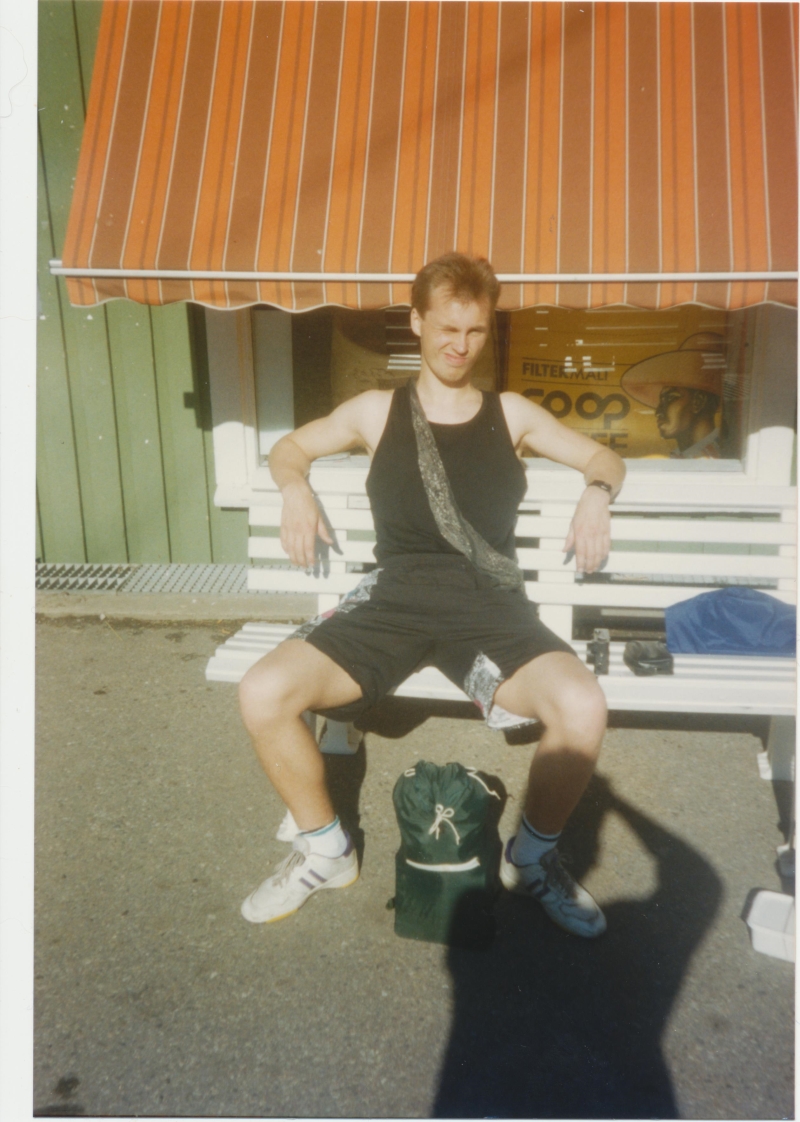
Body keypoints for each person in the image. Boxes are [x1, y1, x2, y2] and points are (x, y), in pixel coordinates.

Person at [238, 253, 625, 938]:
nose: (460, 345)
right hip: (391, 602)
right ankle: (325, 851)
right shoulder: (375, 411)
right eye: (447, 328)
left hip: (489, 609)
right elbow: (288, 449)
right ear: (416, 321)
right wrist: (295, 489)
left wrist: (597, 494)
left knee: (583, 705)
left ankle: (531, 859)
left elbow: (605, 458)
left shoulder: (512, 414)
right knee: (263, 691)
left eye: (475, 331)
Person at [621, 333, 725, 458]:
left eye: (670, 398)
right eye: (662, 400)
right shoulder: (688, 456)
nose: (658, 412)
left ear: (698, 401)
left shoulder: (718, 458)